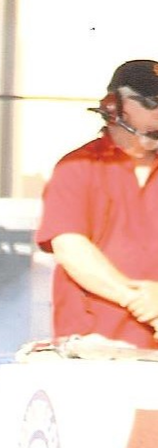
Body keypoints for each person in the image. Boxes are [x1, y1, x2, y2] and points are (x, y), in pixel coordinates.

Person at [36, 58, 158, 348]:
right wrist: (139, 301)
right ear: (114, 105)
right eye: (152, 102)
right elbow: (71, 249)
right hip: (92, 347)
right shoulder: (77, 168)